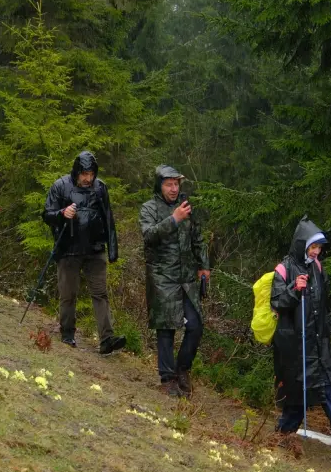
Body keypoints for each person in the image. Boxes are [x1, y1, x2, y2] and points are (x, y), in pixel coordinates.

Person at [270, 217, 331, 452]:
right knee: (298, 392)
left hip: (319, 341)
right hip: (296, 344)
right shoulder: (283, 269)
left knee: (329, 385)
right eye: (313, 247)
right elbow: (277, 302)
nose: (316, 252)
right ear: (301, 244)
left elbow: (324, 305)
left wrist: (326, 332)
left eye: (319, 247)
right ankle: (283, 433)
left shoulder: (318, 268)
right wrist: (294, 289)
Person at [42, 152, 125, 354]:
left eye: (91, 174)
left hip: (95, 249)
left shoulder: (100, 187)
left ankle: (107, 339)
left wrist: (112, 250)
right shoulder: (60, 186)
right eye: (84, 174)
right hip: (68, 249)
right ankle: (67, 333)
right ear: (77, 172)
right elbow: (46, 214)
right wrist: (62, 213)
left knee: (100, 293)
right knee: (68, 294)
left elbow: (108, 218)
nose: (88, 178)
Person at [138, 165, 209, 397]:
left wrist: (204, 266)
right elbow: (149, 236)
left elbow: (198, 239)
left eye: (176, 184)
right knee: (166, 328)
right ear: (159, 186)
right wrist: (174, 219)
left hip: (186, 278)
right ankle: (167, 378)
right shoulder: (149, 208)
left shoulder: (187, 207)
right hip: (162, 277)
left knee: (195, 325)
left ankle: (182, 370)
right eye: (169, 184)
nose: (173, 188)